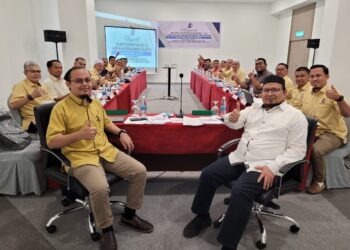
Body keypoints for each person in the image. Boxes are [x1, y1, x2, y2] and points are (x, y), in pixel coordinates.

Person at [183, 75, 307, 250]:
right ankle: (202, 216)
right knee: (208, 174)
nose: (270, 94)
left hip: (265, 167)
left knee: (240, 191)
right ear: (261, 92)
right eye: (266, 90)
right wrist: (231, 118)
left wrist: (273, 167)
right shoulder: (254, 108)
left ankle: (228, 244)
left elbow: (298, 150)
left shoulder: (296, 117)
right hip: (240, 157)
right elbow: (235, 123)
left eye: (275, 90)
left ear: (285, 93)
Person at [46, 66, 154, 250]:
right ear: (68, 84)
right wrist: (79, 135)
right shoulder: (60, 109)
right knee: (100, 188)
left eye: (87, 80)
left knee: (139, 171)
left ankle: (129, 215)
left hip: (105, 151)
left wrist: (121, 133)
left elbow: (106, 122)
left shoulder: (94, 102)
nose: (85, 84)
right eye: (78, 81)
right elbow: (52, 142)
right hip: (81, 157)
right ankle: (107, 229)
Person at [301, 64, 348, 194]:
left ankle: (319, 182)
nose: (315, 79)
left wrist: (339, 99)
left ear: (327, 76)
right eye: (312, 76)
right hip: (313, 131)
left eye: (318, 76)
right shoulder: (307, 93)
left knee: (316, 150)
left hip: (332, 133)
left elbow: (347, 114)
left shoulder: (334, 94)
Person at [9, 61, 52, 132]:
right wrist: (31, 96)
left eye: (38, 71)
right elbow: (13, 105)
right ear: (25, 73)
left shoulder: (43, 85)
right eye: (33, 71)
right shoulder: (20, 86)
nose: (36, 74)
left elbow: (50, 101)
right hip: (33, 121)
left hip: (47, 116)